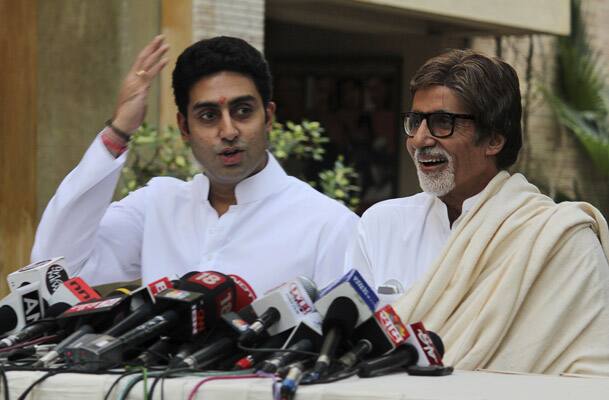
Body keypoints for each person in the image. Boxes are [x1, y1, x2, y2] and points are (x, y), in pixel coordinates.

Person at [346, 49, 609, 375]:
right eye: (415, 122)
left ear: (494, 139)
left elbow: (591, 372)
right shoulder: (381, 224)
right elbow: (350, 351)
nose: (419, 139)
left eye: (443, 122)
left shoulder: (559, 239)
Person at [31, 35, 358, 296]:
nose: (228, 131)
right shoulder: (158, 205)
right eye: (208, 116)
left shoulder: (327, 224)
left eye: (243, 111)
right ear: (184, 127)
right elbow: (57, 269)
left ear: (269, 116)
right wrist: (119, 131)